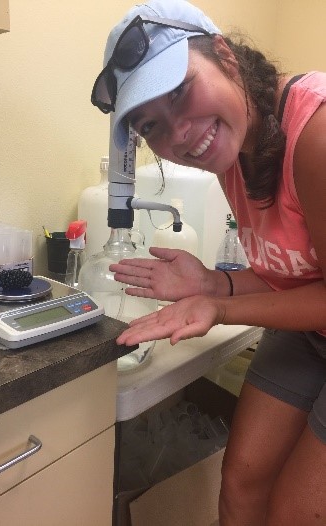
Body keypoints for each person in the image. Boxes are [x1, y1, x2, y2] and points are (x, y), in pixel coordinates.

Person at [91, 0, 326, 524]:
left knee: (295, 510)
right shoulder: (233, 147)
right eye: (152, 124)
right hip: (309, 329)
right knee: (241, 480)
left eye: (179, 91)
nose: (178, 134)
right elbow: (292, 273)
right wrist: (213, 282)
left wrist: (219, 309)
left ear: (226, 55)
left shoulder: (315, 135)